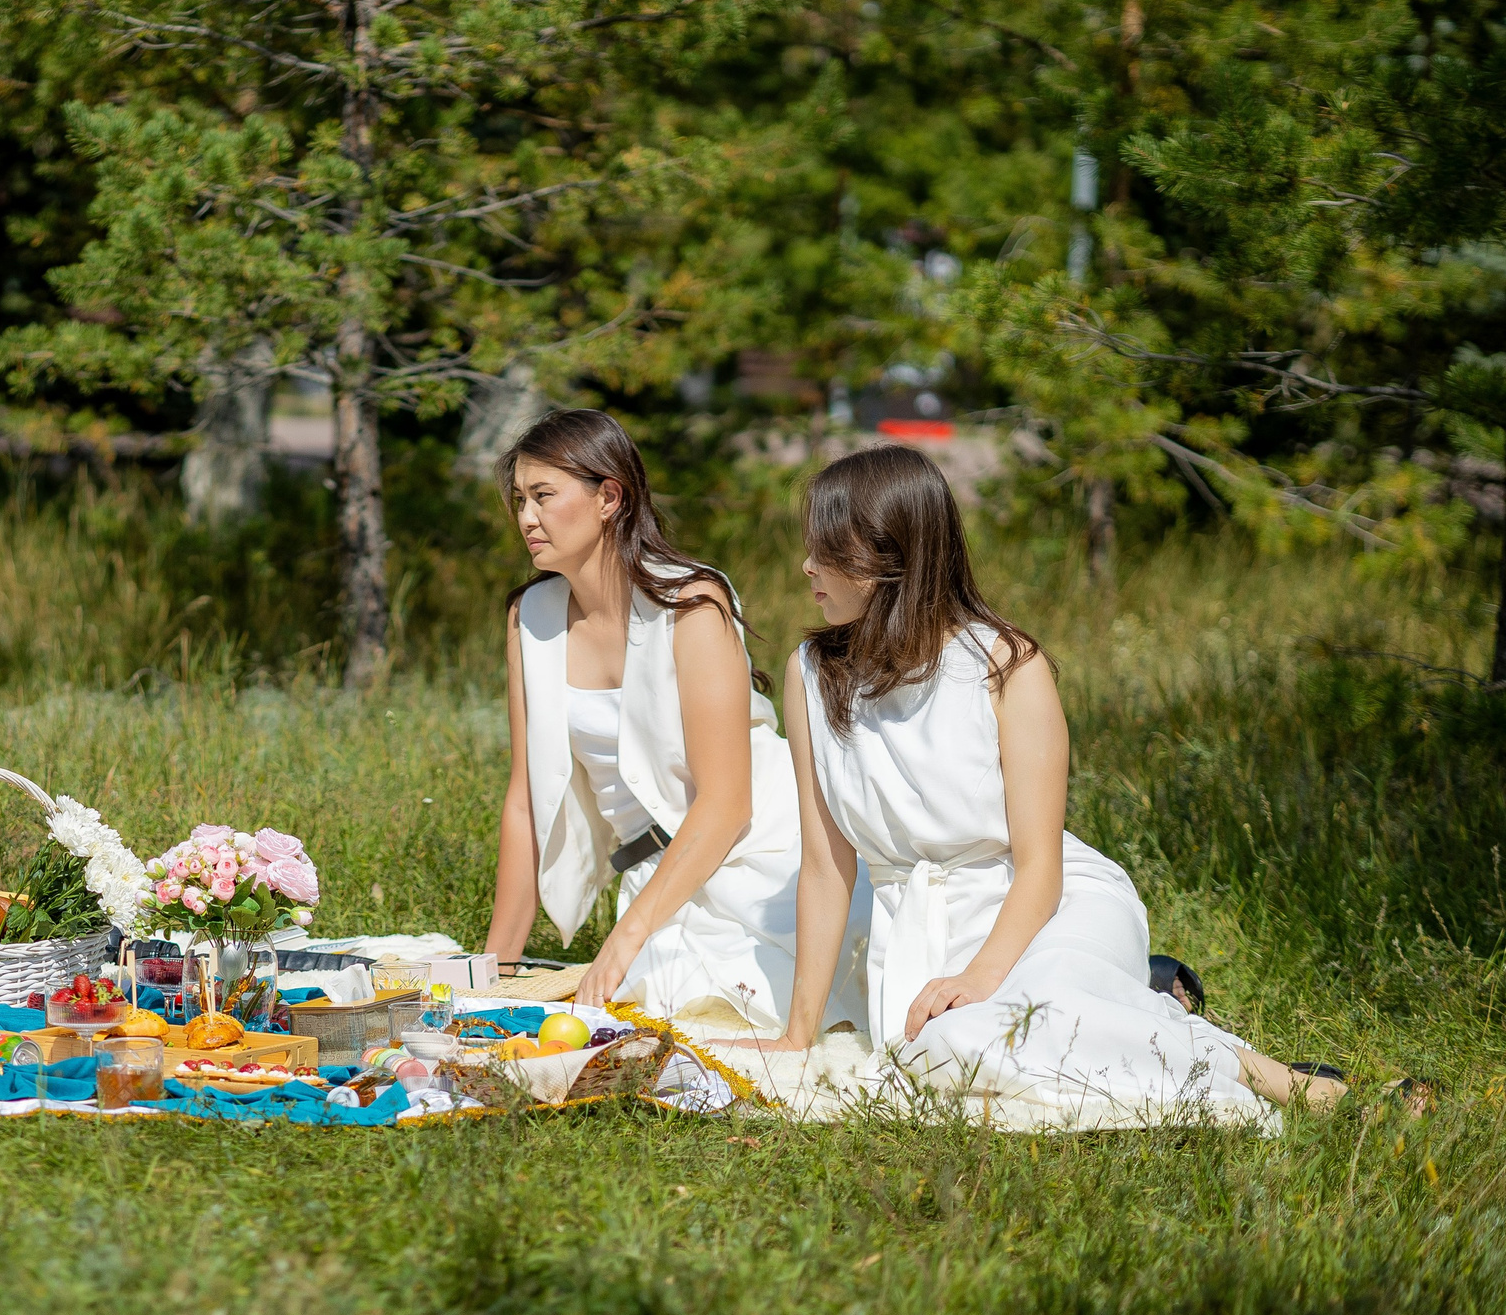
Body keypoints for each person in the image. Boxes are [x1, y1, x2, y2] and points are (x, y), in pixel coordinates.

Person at [748, 443, 1361, 1121]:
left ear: (892, 556)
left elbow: (1040, 864)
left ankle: (1292, 1082)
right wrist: (795, 1036)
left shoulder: (1008, 664)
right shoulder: (812, 674)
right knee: (951, 1055)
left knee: (1030, 1026)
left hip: (1045, 905)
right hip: (924, 929)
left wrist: (980, 978)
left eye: (829, 550)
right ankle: (1145, 996)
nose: (807, 566)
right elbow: (826, 867)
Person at [478, 410, 866, 1036]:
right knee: (646, 1015)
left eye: (544, 496)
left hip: (762, 851)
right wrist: (494, 969)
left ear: (609, 496)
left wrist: (627, 937)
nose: (526, 517)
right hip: (652, 876)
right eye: (519, 499)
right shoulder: (531, 616)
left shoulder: (691, 601)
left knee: (731, 1020)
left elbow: (727, 803)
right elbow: (526, 801)